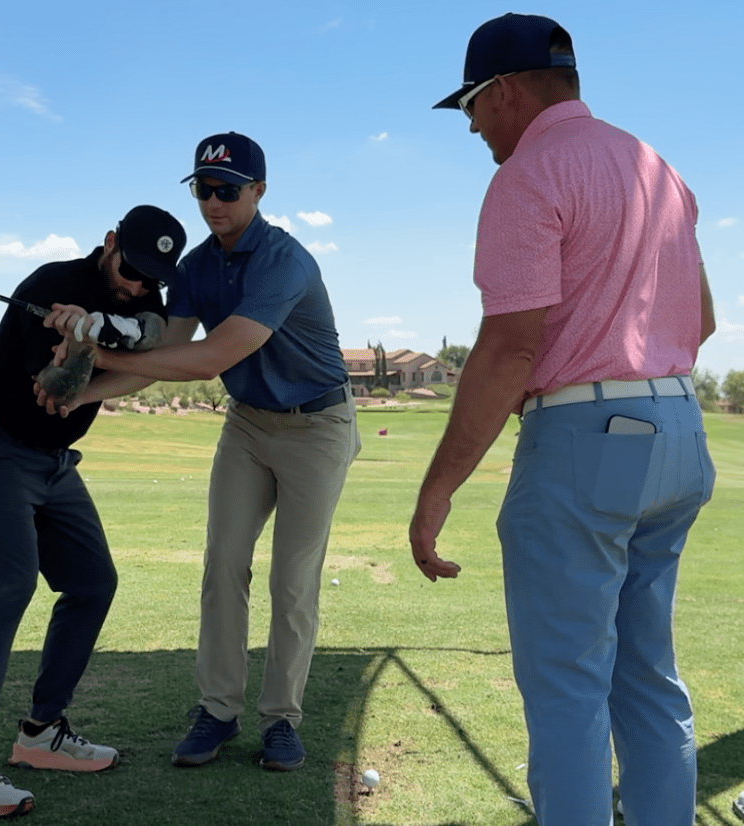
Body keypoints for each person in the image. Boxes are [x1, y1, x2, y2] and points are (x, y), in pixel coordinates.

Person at [409, 13, 717, 826]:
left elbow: (511, 348)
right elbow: (703, 320)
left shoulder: (528, 173)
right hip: (680, 431)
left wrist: (438, 487)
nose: (471, 124)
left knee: (567, 690)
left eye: (471, 104)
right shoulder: (657, 166)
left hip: (586, 442)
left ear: (504, 91)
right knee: (647, 678)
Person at [39, 132, 360, 772]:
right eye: (203, 190)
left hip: (317, 425)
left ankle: (281, 721)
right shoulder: (195, 269)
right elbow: (163, 353)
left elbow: (212, 357)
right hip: (247, 423)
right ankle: (217, 711)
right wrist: (85, 392)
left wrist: (95, 350)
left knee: (292, 579)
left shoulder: (283, 261)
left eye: (227, 190)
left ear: (258, 191)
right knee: (222, 568)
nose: (213, 203)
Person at [0, 205, 187, 819]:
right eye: (129, 269)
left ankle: (42, 731)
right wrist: (79, 338)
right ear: (108, 244)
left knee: (93, 583)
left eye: (150, 280)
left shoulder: (131, 300)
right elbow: (58, 389)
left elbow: (160, 335)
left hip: (55, 464)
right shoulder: (49, 287)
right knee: (7, 590)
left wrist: (103, 323)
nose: (136, 285)